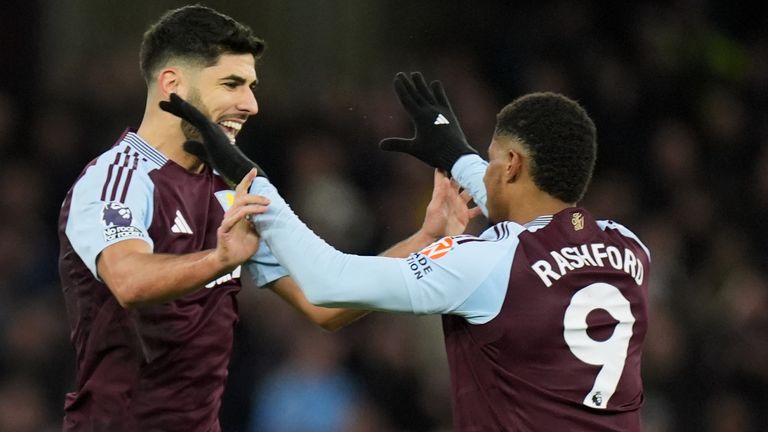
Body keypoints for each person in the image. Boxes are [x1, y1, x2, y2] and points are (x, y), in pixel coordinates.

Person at [57, 6, 477, 431]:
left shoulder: (231, 187)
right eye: (232, 84)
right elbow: (128, 280)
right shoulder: (118, 178)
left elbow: (323, 304)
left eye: (252, 87)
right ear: (172, 84)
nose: (251, 104)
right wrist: (220, 260)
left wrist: (426, 237)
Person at [166, 71, 651, 431]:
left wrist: (250, 178)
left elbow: (329, 284)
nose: (484, 170)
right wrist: (456, 155)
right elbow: (533, 221)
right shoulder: (629, 249)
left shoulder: (484, 264)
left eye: (491, 157)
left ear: (512, 165)